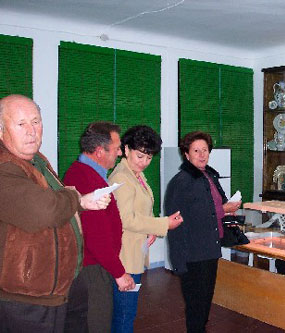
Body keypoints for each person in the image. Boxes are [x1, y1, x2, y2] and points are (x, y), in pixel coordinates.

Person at [0, 94, 110, 332]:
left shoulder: (37, 160)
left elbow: (55, 201)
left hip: (65, 283)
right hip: (30, 295)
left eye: (36, 121)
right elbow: (46, 210)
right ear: (1, 130)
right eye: (21, 124)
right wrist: (76, 197)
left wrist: (77, 201)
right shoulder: (4, 167)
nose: (32, 131)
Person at [164, 131, 241, 333]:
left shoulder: (209, 175)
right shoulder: (181, 182)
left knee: (205, 303)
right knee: (196, 307)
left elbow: (216, 205)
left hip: (209, 249)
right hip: (192, 254)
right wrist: (177, 261)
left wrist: (228, 207)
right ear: (186, 154)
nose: (201, 154)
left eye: (205, 150)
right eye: (196, 151)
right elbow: (176, 221)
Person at [108, 125, 184, 332]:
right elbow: (126, 219)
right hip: (125, 257)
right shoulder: (122, 177)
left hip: (133, 252)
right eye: (140, 156)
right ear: (126, 150)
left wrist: (151, 226)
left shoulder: (135, 174)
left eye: (149, 158)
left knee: (127, 313)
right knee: (124, 315)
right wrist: (162, 224)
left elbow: (139, 210)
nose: (144, 162)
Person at [63, 122, 136, 333]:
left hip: (96, 264)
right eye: (116, 149)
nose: (120, 153)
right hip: (92, 269)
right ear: (99, 151)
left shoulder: (88, 172)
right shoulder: (85, 177)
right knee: (97, 323)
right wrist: (119, 273)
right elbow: (96, 236)